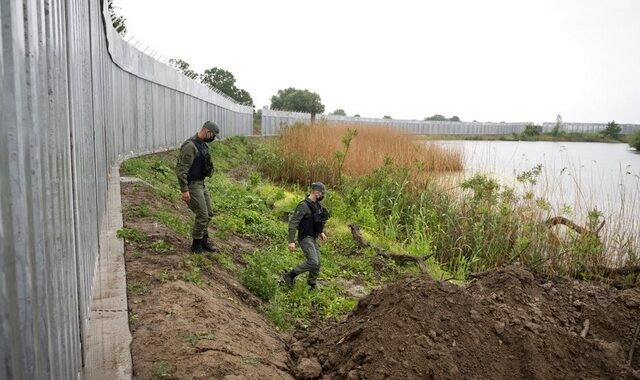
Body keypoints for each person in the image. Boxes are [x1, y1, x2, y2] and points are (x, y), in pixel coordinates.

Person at [175, 121, 219, 253]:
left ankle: (204, 242)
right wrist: (184, 190)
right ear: (206, 131)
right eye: (213, 135)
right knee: (202, 215)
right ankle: (196, 244)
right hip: (193, 185)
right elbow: (181, 170)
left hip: (201, 184)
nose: (213, 138)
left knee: (209, 214)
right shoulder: (190, 146)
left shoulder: (202, 145)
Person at [282, 182, 330, 290]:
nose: (323, 196)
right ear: (316, 192)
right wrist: (291, 241)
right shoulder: (303, 206)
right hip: (305, 237)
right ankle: (290, 275)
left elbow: (317, 220)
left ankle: (311, 284)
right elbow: (293, 223)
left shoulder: (317, 205)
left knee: (317, 263)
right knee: (313, 261)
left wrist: (321, 232)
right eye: (322, 194)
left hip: (313, 237)